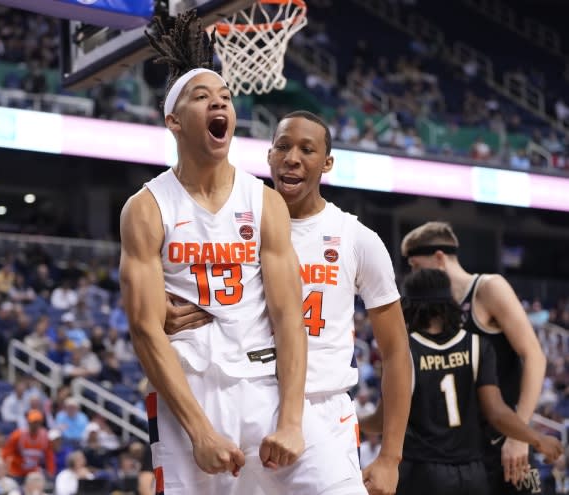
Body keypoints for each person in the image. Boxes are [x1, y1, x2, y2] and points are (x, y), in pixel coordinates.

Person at [119, 10, 356, 495]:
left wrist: (292, 421)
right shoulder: (146, 208)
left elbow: (290, 317)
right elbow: (145, 328)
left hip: (264, 381)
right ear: (173, 120)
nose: (218, 103)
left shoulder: (263, 200)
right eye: (201, 97)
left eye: (225, 97)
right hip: (191, 390)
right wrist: (199, 431)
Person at [165, 111, 413, 495]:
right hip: (246, 403)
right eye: (282, 146)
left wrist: (390, 457)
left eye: (307, 149)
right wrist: (163, 311)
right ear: (269, 156)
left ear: (327, 163)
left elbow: (396, 353)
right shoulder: (229, 226)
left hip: (323, 407)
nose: (292, 157)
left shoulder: (356, 238)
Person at [360, 268, 562, 495]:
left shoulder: (405, 352)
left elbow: (382, 421)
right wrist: (537, 439)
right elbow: (496, 412)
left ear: (409, 305)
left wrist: (354, 423)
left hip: (423, 473)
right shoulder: (476, 345)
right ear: (450, 304)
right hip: (471, 475)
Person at [401, 222, 547, 494]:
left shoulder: (488, 287)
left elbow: (535, 356)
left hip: (503, 440)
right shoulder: (434, 311)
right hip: (463, 451)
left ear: (439, 258)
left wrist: (519, 435)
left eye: (416, 266)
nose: (413, 274)